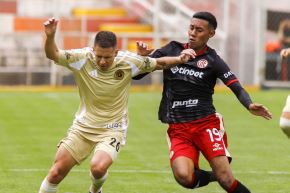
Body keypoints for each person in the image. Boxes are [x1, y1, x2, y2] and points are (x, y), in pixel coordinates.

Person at [39, 17, 195, 193]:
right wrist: (51, 36)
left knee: (97, 168)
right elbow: (53, 54)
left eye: (107, 57)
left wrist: (180, 59)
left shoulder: (128, 61)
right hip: (83, 127)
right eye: (98, 56)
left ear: (116, 52)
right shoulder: (82, 58)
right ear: (92, 50)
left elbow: (159, 63)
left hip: (112, 128)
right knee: (55, 173)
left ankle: (95, 190)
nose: (103, 61)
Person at [134, 11, 272, 193]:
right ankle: (214, 174)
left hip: (206, 124)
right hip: (179, 128)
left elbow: (236, 86)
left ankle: (220, 174)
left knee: (227, 180)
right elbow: (137, 75)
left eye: (199, 30)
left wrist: (249, 104)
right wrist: (143, 58)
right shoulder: (172, 49)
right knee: (184, 177)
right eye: (191, 28)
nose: (192, 33)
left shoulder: (213, 60)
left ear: (211, 34)